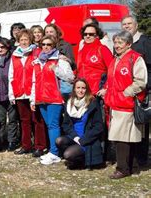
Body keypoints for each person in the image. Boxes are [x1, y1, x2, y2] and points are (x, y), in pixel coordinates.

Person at [99, 31, 148, 179]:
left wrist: (125, 93)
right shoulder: (115, 60)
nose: (117, 45)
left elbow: (141, 81)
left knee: (123, 139)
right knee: (123, 137)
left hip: (126, 103)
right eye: (115, 42)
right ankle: (130, 166)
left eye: (120, 42)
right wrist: (107, 90)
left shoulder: (135, 58)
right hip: (115, 103)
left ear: (128, 44)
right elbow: (112, 80)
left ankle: (123, 168)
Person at [31, 35, 74, 165]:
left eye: (49, 44)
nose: (45, 47)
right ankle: (53, 150)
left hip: (55, 98)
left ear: (54, 45)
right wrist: (33, 99)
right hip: (41, 98)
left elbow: (70, 77)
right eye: (43, 44)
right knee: (49, 125)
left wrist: (56, 69)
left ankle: (55, 153)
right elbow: (34, 81)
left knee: (54, 125)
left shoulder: (60, 60)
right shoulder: (38, 61)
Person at [9, 29, 47, 157]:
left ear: (30, 40)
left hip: (33, 92)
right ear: (18, 41)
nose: (24, 42)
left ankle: (40, 146)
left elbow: (38, 73)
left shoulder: (36, 53)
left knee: (37, 120)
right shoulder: (15, 55)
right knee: (24, 120)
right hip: (20, 92)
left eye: (26, 39)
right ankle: (26, 145)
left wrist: (33, 94)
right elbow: (11, 75)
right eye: (21, 40)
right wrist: (11, 93)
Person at [121, 15, 151, 166]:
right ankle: (130, 156)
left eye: (129, 24)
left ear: (136, 25)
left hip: (142, 90)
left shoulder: (145, 42)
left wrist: (146, 87)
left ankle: (142, 157)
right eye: (124, 24)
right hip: (125, 92)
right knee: (129, 125)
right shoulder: (122, 44)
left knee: (141, 124)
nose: (126, 26)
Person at [56, 78, 104, 169]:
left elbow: (98, 126)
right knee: (59, 141)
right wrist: (75, 136)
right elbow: (66, 124)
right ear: (74, 89)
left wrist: (84, 139)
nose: (80, 90)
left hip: (87, 139)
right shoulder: (70, 103)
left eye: (83, 88)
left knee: (68, 154)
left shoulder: (92, 103)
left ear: (87, 89)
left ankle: (84, 160)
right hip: (74, 136)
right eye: (78, 88)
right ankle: (76, 158)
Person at [77, 23, 114, 96]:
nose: (87, 36)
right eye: (85, 34)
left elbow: (112, 70)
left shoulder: (102, 49)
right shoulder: (81, 52)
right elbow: (79, 70)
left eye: (91, 34)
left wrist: (106, 88)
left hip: (97, 92)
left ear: (97, 35)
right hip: (82, 92)